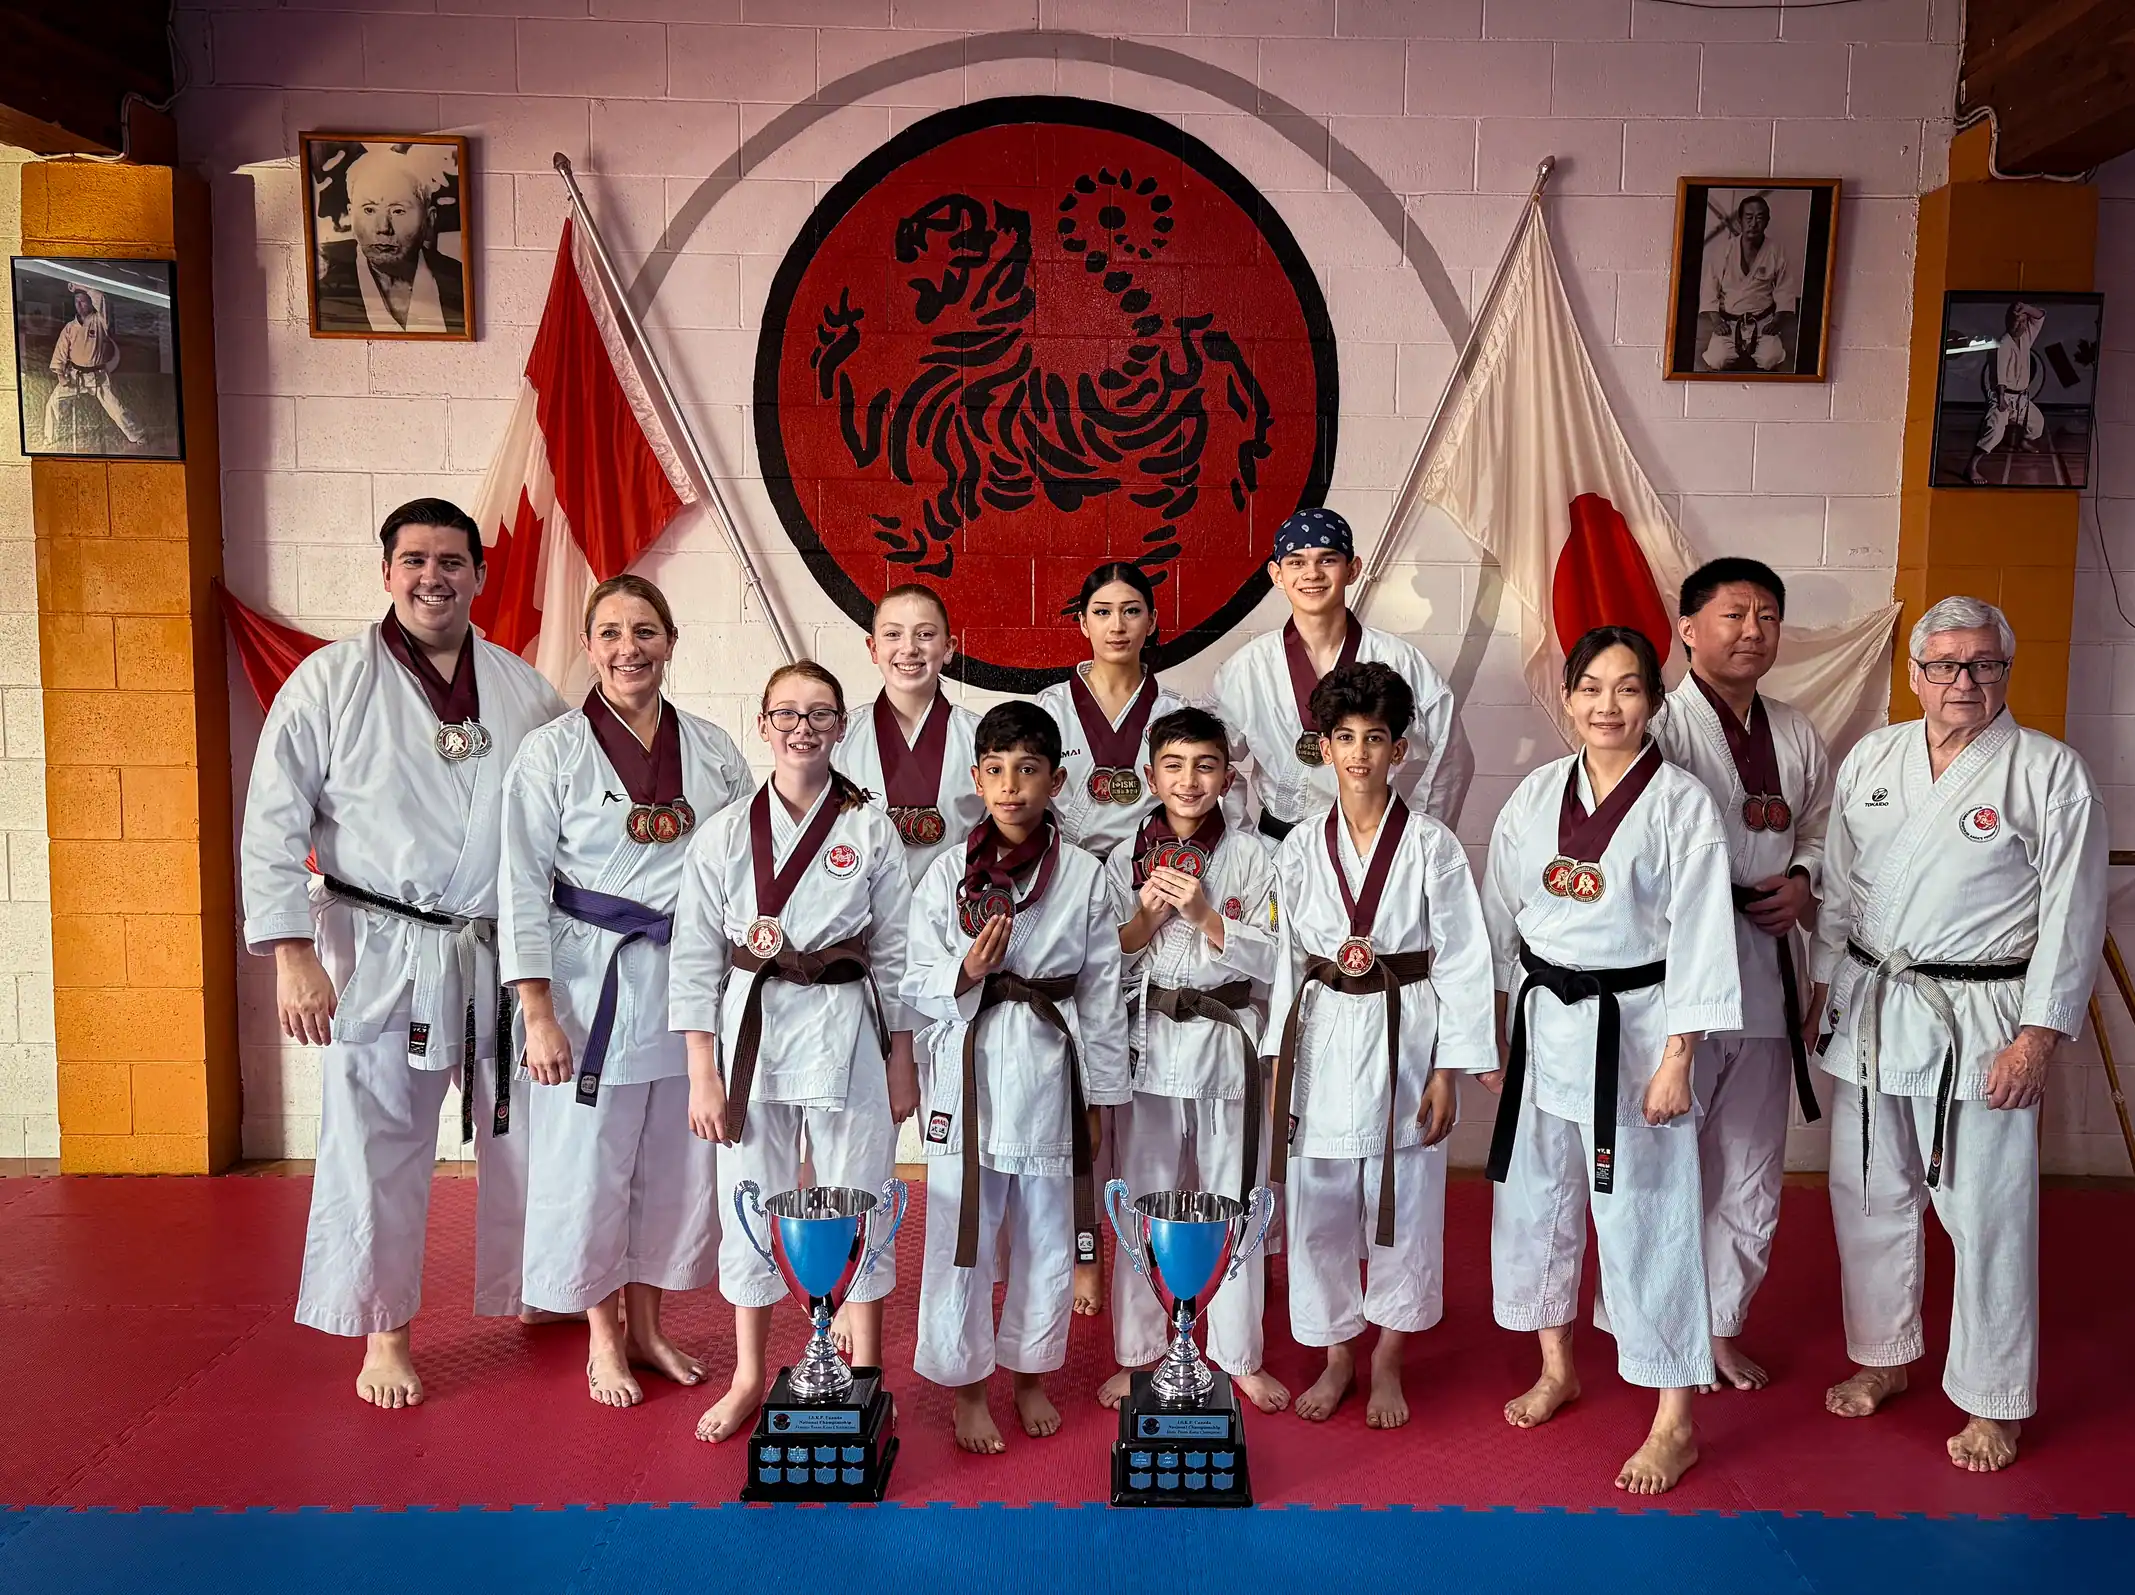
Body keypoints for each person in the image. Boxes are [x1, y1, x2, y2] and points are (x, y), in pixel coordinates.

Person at [240, 498, 568, 1407]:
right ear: (386, 571)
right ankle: (386, 1331)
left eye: (453, 561)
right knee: (377, 1139)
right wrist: (291, 953)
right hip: (379, 949)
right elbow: (273, 821)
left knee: (532, 1129)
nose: (434, 576)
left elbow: (565, 818)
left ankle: (541, 1283)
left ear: (479, 576)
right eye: (416, 559)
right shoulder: (329, 682)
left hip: (498, 950)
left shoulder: (521, 686)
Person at [1807, 596, 2105, 1473]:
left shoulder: (2049, 772)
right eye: (1943, 664)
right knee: (1867, 1194)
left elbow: (2072, 915)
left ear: (2005, 673)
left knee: (1985, 1213)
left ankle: (1992, 1398)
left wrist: (2037, 1037)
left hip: (1981, 1021)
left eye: (1982, 664)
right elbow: (1840, 887)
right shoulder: (1874, 755)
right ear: (1914, 674)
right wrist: (1824, 987)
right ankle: (1884, 1354)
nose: (1962, 680)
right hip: (1870, 1006)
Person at [1481, 626, 1741, 1495]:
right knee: (1535, 1205)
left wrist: (1679, 1055)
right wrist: (1491, 1031)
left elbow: (1704, 934)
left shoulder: (1680, 803)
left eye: (1627, 689)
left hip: (1634, 1034)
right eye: (1590, 687)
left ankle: (1674, 1415)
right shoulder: (1532, 795)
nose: (1606, 705)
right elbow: (1497, 913)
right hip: (1544, 1022)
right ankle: (1557, 1364)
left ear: (1653, 701)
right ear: (1566, 696)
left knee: (1648, 1217)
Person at [498, 575, 750, 1407]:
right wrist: (536, 1009)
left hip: (689, 983)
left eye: (645, 631)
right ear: (590, 645)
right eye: (610, 632)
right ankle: (602, 1334)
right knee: (589, 1166)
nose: (628, 648)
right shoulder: (553, 751)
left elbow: (749, 870)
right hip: (585, 984)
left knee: (674, 1166)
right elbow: (521, 884)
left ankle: (648, 1323)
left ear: (670, 641)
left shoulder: (713, 750)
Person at [671, 661, 919, 1443]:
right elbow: (693, 958)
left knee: (862, 1185)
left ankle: (864, 1360)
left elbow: (896, 949)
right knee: (748, 1191)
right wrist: (700, 1073)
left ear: (840, 726)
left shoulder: (869, 828)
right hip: (751, 1027)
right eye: (786, 713)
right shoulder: (721, 831)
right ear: (762, 723)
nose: (802, 727)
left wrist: (902, 1055)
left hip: (848, 1023)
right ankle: (750, 1371)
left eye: (818, 714)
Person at [1265, 662, 1495, 1428]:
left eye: (1374, 738)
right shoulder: (1299, 844)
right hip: (1325, 1031)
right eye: (1344, 738)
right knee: (1319, 1204)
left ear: (1400, 750)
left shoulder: (1431, 845)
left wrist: (1447, 1069)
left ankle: (1389, 1355)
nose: (1359, 753)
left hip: (1406, 1027)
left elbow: (1462, 957)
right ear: (1322, 748)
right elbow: (1282, 960)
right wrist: (1277, 1061)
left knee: (1406, 1201)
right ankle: (1337, 1356)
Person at [902, 702, 1131, 1454]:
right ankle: (968, 1386)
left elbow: (1100, 991)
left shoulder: (1087, 875)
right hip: (969, 1071)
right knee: (961, 1232)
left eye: (1028, 769)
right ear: (975, 778)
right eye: (996, 769)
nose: (1011, 786)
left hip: (1051, 1073)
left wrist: (1100, 1095)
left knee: (1046, 1235)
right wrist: (963, 970)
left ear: (1056, 778)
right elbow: (913, 978)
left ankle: (1029, 1373)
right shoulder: (944, 873)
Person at [1652, 559, 1832, 1392]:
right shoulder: (1654, 724)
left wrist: (1802, 879)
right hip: (1677, 974)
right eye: (1733, 614)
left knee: (1752, 1163)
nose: (1752, 630)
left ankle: (1721, 1325)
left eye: (1766, 614)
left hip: (1765, 966)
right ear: (1688, 629)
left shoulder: (1795, 729)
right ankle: (1658, 1328)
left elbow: (1828, 830)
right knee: (1667, 1159)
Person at [1099, 707, 1287, 1415]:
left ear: (1227, 775)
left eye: (1205, 765)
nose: (1188, 779)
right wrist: (1144, 920)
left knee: (1231, 1198)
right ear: (1150, 775)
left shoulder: (1251, 855)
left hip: (1224, 1042)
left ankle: (1238, 1355)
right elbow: (1100, 957)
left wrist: (1211, 917)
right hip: (1149, 1045)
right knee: (1143, 1196)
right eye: (1173, 765)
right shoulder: (1124, 858)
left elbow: (1278, 958)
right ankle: (1142, 1351)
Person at [1212, 507, 1470, 841]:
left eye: (1327, 560)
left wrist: (1419, 835)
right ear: (1276, 574)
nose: (1312, 573)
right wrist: (1239, 838)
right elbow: (1207, 756)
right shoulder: (1248, 667)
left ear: (1352, 569)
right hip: (1277, 846)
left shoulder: (1397, 659)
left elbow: (1453, 752)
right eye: (1296, 562)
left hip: (1369, 847)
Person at [1034, 563, 1198, 862]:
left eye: (1132, 611)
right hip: (1067, 870)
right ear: (1083, 622)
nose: (1117, 626)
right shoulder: (1049, 709)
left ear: (1151, 621)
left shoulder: (1176, 711)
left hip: (1152, 869)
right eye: (1102, 612)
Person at [835, 585, 986, 885]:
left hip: (952, 911)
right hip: (866, 915)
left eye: (925, 634)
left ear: (948, 647)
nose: (909, 648)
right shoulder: (840, 737)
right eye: (893, 634)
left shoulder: (980, 737)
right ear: (873, 649)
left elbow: (999, 833)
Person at [314, 147, 468, 336]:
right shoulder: (326, 294)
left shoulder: (462, 283)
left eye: (398, 211)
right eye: (369, 210)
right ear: (351, 215)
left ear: (429, 219)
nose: (383, 228)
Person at [1697, 193, 1798, 373]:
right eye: (1749, 217)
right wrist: (1717, 322)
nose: (1754, 223)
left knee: (1771, 359)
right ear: (1740, 220)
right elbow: (1710, 291)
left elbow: (1784, 290)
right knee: (1716, 360)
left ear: (1767, 221)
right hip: (1729, 322)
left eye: (1759, 217)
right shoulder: (1724, 251)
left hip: (1761, 321)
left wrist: (1776, 321)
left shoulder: (1776, 251)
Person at [43, 284, 144, 448]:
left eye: (83, 301)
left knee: (117, 408)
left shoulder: (100, 321)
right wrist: (61, 375)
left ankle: (137, 435)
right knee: (52, 404)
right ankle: (49, 438)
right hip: (75, 375)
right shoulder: (70, 327)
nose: (79, 305)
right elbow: (60, 353)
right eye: (77, 301)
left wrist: (78, 285)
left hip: (99, 377)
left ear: (90, 303)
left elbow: (101, 297)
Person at [1966, 301, 2048, 485]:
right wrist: (2001, 399)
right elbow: (2000, 373)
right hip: (2002, 397)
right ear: (2007, 322)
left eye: (2021, 322)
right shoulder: (2003, 344)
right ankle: (1971, 467)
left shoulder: (2026, 336)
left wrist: (2026, 309)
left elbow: (2040, 315)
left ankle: (2023, 441)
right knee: (1994, 433)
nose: (2017, 326)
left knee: (2037, 424)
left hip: (2020, 399)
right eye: (2014, 322)